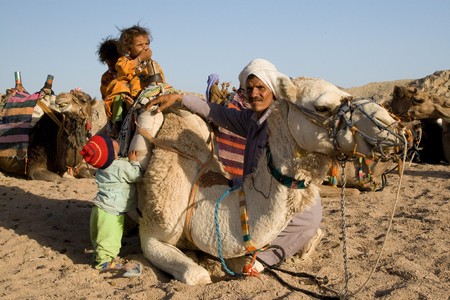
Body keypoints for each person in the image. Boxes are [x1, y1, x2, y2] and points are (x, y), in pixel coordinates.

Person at [146, 58, 324, 270]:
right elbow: (216, 112)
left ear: (273, 90)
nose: (254, 94)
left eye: (260, 88)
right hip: (254, 192)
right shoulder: (251, 120)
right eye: (249, 89)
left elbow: (279, 173)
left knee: (304, 219)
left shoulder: (281, 127)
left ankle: (266, 260)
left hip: (282, 196)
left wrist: (232, 181)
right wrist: (180, 99)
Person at [80, 134, 143, 277]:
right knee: (110, 238)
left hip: (99, 208)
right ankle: (104, 262)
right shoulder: (121, 166)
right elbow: (136, 176)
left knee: (100, 236)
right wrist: (134, 162)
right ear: (110, 153)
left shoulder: (102, 168)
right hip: (112, 212)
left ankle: (99, 255)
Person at [103, 24, 166, 138]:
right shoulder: (123, 61)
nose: (145, 48)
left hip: (147, 96)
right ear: (128, 49)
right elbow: (123, 71)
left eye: (147, 44)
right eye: (140, 45)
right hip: (127, 96)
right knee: (118, 88)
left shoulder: (153, 64)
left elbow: (160, 80)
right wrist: (139, 59)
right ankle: (117, 125)